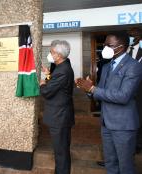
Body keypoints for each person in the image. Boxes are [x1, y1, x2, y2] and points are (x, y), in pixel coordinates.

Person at [76, 31, 142, 174]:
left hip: (123, 126)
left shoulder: (134, 66)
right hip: (106, 124)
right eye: (105, 44)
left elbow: (124, 96)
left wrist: (93, 89)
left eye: (109, 45)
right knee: (110, 163)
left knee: (126, 166)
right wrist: (88, 89)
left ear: (122, 47)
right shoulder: (106, 67)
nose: (105, 48)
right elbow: (100, 94)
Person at [40, 40, 75, 174]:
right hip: (61, 116)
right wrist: (48, 74)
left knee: (61, 152)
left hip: (60, 117)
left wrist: (43, 83)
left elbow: (47, 92)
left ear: (59, 55)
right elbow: (57, 85)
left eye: (51, 52)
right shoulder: (62, 67)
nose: (50, 54)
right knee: (61, 150)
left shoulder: (63, 70)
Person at [128, 27, 142, 153]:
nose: (131, 37)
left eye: (134, 34)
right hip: (127, 90)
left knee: (139, 116)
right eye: (130, 35)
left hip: (140, 90)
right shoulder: (127, 49)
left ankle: (138, 144)